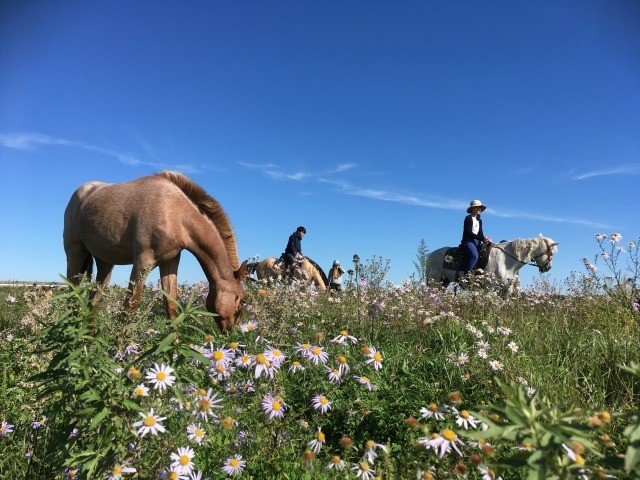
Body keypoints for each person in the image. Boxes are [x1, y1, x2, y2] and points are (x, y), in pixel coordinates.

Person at [461, 200, 492, 274]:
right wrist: (481, 238)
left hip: (478, 242)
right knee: (474, 256)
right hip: (468, 241)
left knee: (486, 254)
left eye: (480, 208)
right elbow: (469, 232)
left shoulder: (479, 220)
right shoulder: (468, 218)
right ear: (472, 208)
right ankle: (467, 275)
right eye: (477, 207)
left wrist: (485, 239)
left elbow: (480, 233)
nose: (479, 209)